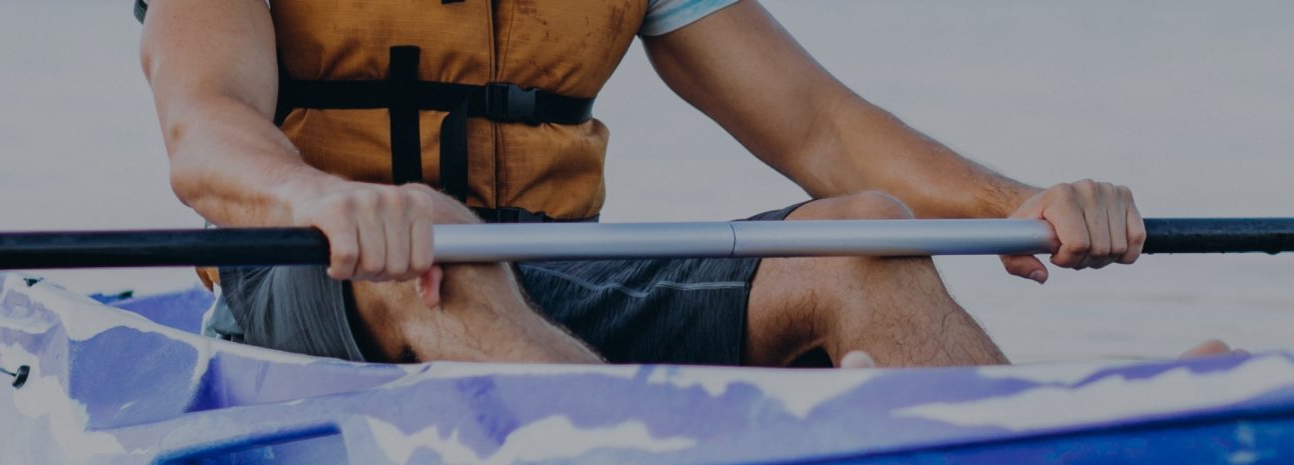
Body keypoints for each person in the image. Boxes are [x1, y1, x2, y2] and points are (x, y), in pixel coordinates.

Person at [137, 0, 1225, 368]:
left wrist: (1016, 203)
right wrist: (320, 201)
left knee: (863, 236)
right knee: (436, 247)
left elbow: (823, 126)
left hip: (549, 267)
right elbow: (204, 128)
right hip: (317, 270)